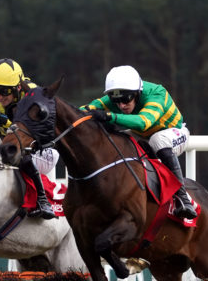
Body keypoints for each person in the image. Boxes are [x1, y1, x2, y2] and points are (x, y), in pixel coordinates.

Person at [83, 65, 197, 220]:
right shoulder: (118, 96)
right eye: (116, 100)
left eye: (126, 99)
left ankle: (183, 198)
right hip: (142, 135)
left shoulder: (156, 93)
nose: (121, 105)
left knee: (158, 141)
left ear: (137, 93)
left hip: (172, 133)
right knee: (117, 140)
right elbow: (83, 109)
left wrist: (110, 116)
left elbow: (144, 122)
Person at [0, 58, 58, 219]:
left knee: (21, 154)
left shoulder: (33, 95)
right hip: (13, 148)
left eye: (4, 92)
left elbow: (30, 131)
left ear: (18, 87)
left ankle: (43, 200)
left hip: (43, 150)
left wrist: (4, 120)